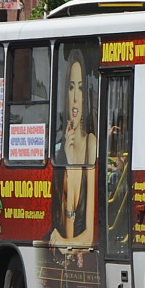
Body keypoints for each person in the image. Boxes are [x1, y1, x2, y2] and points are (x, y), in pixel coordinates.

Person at [51, 50, 97, 244]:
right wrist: (69, 165)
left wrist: (62, 243)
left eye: (80, 88)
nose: (76, 98)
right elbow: (69, 231)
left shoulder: (91, 143)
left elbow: (87, 238)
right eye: (71, 88)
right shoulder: (60, 152)